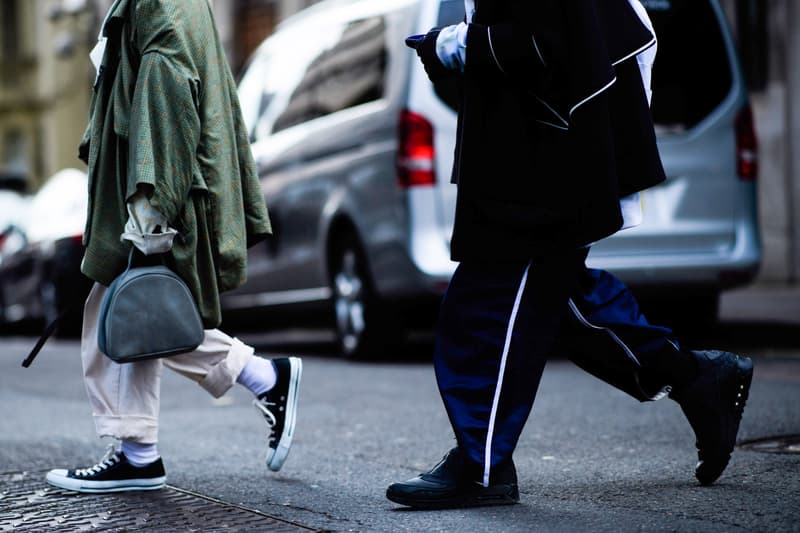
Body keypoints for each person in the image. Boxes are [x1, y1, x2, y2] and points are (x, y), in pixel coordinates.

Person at [386, 0, 753, 509]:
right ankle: (698, 378)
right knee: (561, 302)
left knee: (488, 306)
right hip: (545, 147)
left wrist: (451, 45)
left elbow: (542, 39)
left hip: (542, 157)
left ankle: (482, 463)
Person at [45, 0, 302, 493]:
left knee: (124, 314)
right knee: (130, 314)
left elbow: (167, 100)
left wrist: (149, 213)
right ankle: (147, 448)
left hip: (155, 194)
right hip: (151, 188)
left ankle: (143, 451)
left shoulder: (159, 4)